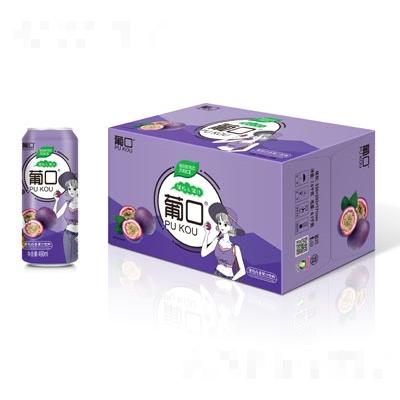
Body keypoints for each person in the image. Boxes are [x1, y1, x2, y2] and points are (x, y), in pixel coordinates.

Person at [201, 203, 246, 281]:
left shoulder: (235, 248)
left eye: (225, 224)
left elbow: (243, 271)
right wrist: (207, 234)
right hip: (216, 274)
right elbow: (203, 253)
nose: (221, 226)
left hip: (229, 277)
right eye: (220, 223)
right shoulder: (217, 241)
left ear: (231, 226)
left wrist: (232, 280)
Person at [53, 171, 78, 263]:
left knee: (73, 259)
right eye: (69, 189)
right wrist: (56, 201)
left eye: (74, 188)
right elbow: (55, 216)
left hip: (78, 234)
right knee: (68, 259)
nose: (71, 191)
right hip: (67, 234)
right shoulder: (68, 203)